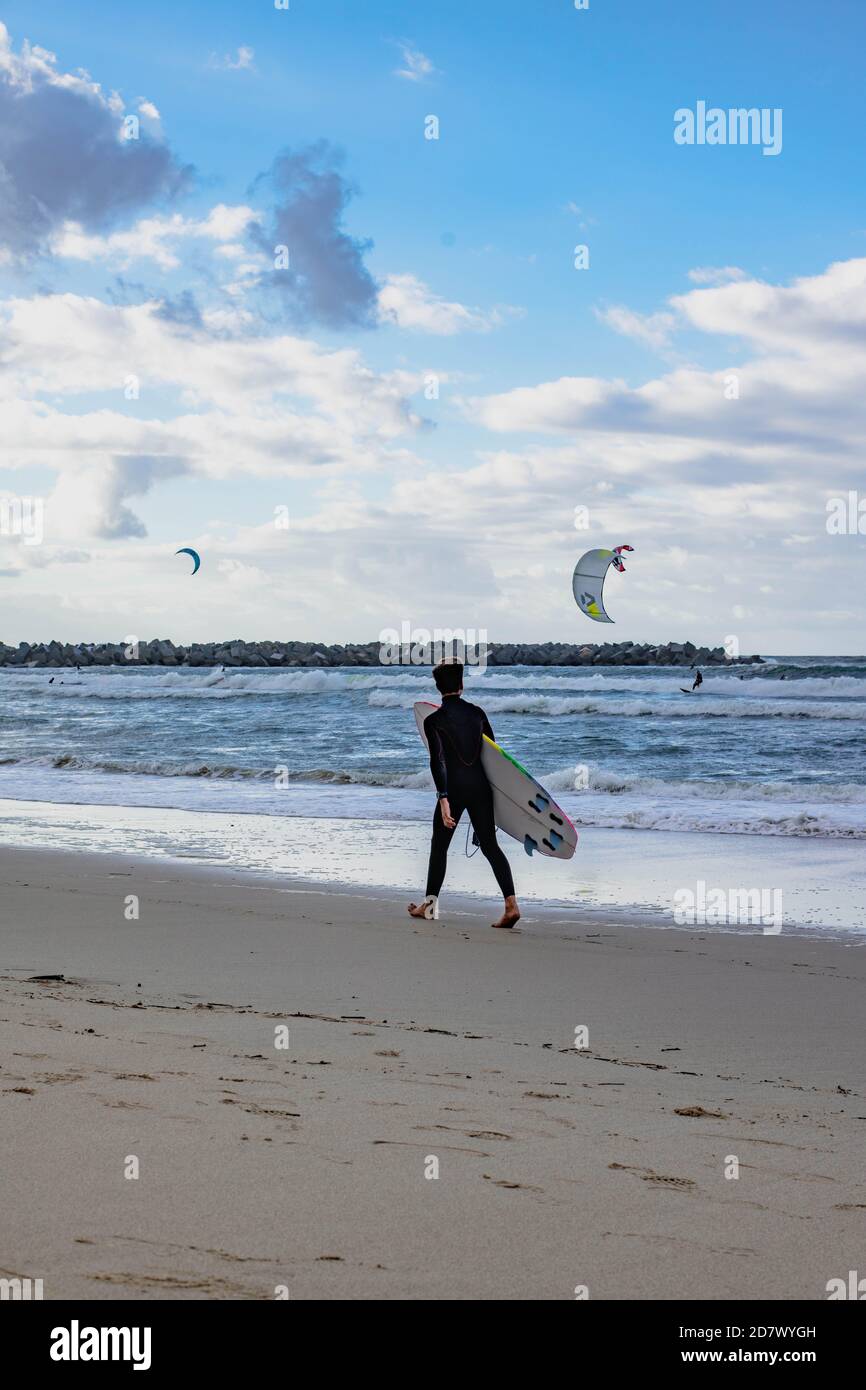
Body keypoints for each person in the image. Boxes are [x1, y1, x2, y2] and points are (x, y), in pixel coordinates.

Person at [408, 658, 520, 929]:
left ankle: (430, 907)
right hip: (480, 787)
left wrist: (443, 798)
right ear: (461, 684)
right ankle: (511, 905)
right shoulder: (478, 714)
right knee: (491, 846)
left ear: (438, 687)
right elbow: (495, 757)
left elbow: (438, 761)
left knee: (440, 846)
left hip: (454, 789)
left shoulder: (434, 720)